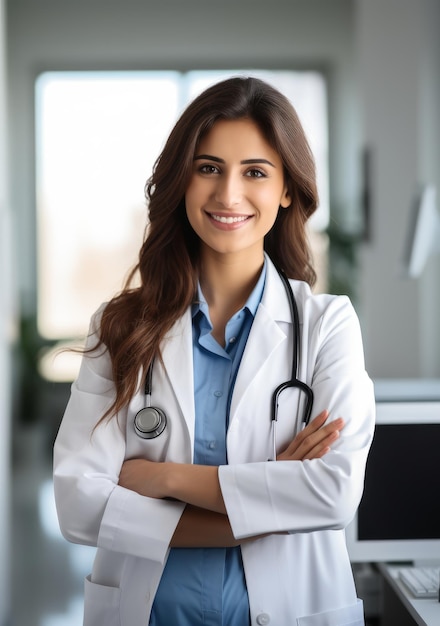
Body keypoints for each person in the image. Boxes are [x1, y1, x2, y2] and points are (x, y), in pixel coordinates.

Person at [53, 76, 375, 626]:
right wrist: (267, 505)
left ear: (287, 189)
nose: (228, 194)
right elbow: (78, 504)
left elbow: (333, 493)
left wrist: (164, 479)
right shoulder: (119, 326)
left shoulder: (326, 326)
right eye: (208, 168)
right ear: (183, 181)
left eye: (255, 171)